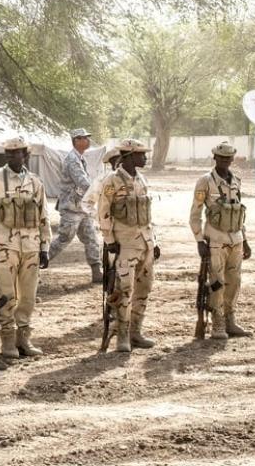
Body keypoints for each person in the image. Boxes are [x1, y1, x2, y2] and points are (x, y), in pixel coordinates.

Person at [0, 137, 51, 359]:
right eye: (8, 152)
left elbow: (44, 216)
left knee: (28, 296)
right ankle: (7, 341)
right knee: (6, 294)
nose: (10, 156)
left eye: (16, 152)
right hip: (4, 246)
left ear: (25, 155)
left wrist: (45, 246)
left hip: (31, 246)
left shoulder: (36, 182)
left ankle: (23, 340)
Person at [97, 139, 160, 352]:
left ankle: (136, 332)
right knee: (123, 290)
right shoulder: (112, 181)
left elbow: (147, 215)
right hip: (124, 245)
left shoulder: (141, 179)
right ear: (129, 156)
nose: (144, 157)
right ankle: (122, 336)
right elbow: (103, 212)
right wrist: (110, 241)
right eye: (141, 154)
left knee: (144, 288)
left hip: (145, 243)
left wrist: (154, 241)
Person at [190, 141, 253, 340]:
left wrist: (246, 239)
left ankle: (230, 320)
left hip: (236, 239)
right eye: (221, 157)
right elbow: (195, 213)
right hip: (215, 239)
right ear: (214, 158)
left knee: (234, 281)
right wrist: (200, 240)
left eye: (228, 158)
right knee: (217, 282)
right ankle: (217, 323)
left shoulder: (236, 181)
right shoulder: (205, 181)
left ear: (232, 159)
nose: (225, 161)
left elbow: (238, 212)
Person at [48, 128, 104, 283]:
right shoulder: (72, 159)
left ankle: (96, 271)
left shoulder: (79, 158)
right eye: (84, 138)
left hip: (81, 207)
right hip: (71, 208)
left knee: (91, 237)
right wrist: (100, 190)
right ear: (77, 140)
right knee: (64, 238)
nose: (88, 140)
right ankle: (39, 262)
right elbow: (83, 182)